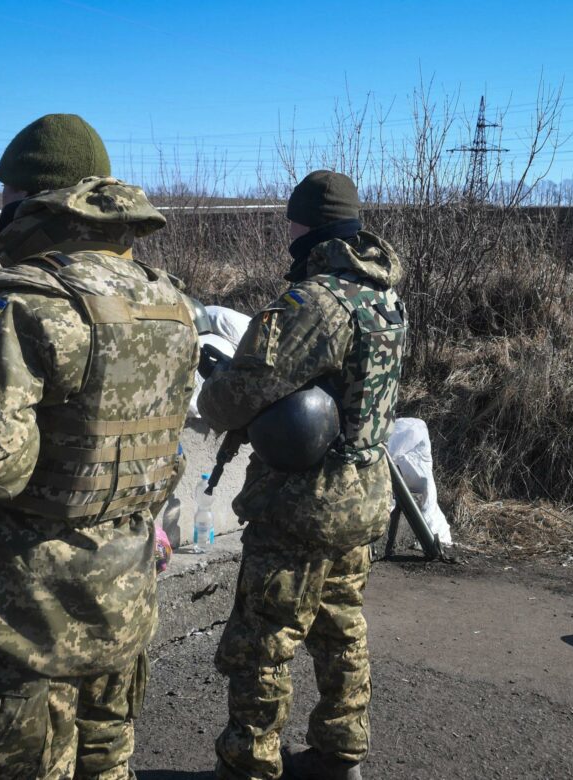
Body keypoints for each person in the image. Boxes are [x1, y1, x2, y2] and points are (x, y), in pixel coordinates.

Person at [0, 113, 198, 779]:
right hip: (122, 600)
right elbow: (162, 450)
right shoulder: (170, 303)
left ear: (26, 201)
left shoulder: (25, 304)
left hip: (24, 616)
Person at [198, 170, 406, 780]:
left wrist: (218, 383)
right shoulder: (385, 295)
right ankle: (341, 754)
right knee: (341, 627)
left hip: (302, 503)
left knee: (261, 639)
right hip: (364, 493)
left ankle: (250, 763)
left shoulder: (313, 302)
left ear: (304, 224)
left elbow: (234, 399)